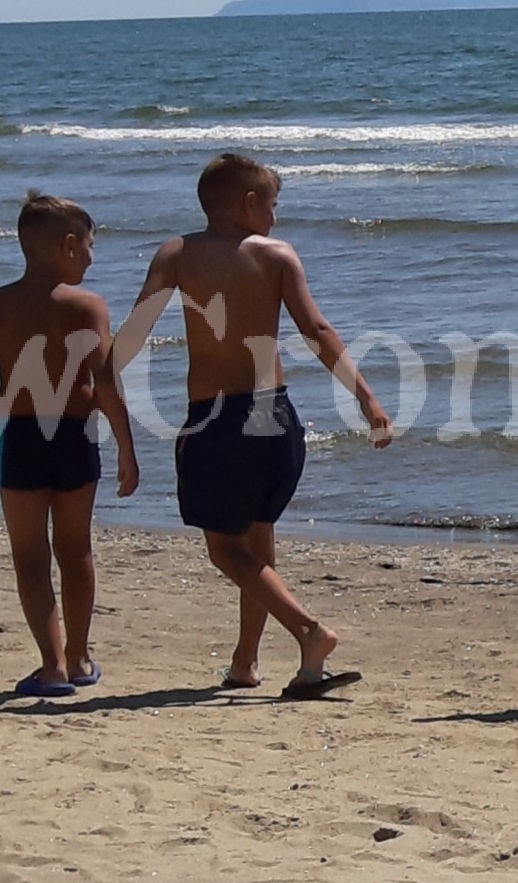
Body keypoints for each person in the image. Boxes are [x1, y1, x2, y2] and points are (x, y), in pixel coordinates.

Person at [115, 153, 391, 698]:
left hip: (217, 421)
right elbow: (317, 329)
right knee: (258, 539)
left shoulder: (178, 253)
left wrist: (98, 382)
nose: (275, 216)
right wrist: (366, 397)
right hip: (277, 418)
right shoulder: (278, 256)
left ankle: (309, 632)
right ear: (247, 203)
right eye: (272, 203)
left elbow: (135, 329)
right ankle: (246, 663)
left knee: (225, 549)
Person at [0, 193, 140, 698]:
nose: (93, 258)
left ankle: (51, 665)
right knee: (75, 550)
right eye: (91, 247)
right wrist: (127, 447)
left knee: (30, 556)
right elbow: (104, 381)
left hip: (23, 438)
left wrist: (1, 403)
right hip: (75, 437)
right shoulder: (88, 306)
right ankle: (78, 657)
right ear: (69, 246)